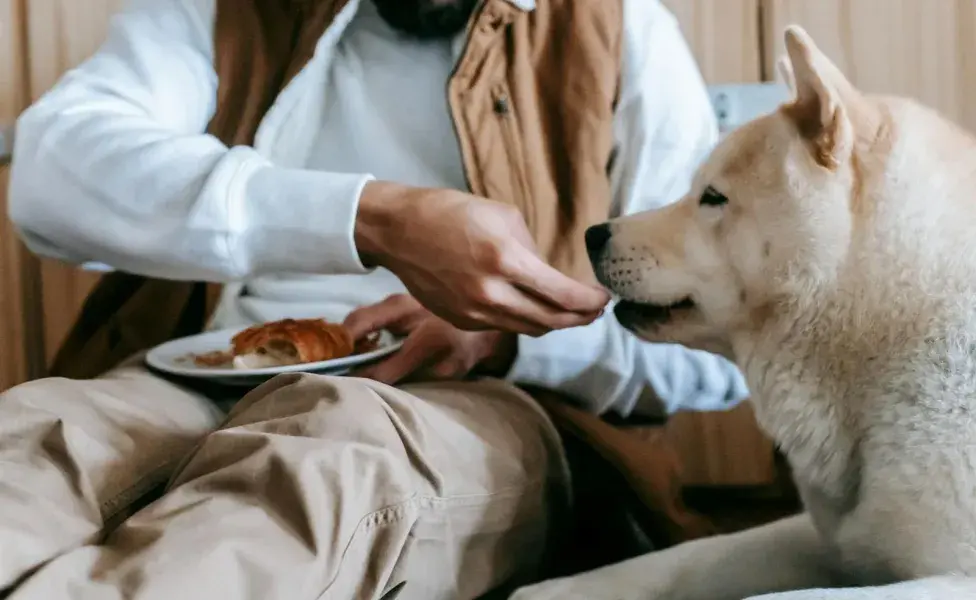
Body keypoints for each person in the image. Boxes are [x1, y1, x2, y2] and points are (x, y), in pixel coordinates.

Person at [1, 0, 749, 598]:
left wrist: (502, 338)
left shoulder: (617, 26)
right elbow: (50, 172)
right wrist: (370, 218)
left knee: (320, 477)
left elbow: (722, 349)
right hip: (202, 370)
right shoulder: (224, 12)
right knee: (35, 441)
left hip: (477, 401)